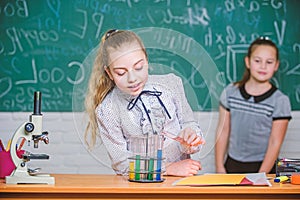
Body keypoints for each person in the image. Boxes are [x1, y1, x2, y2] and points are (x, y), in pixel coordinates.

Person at [84, 29, 205, 177]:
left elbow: (189, 123)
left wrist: (191, 136)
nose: (132, 78)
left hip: (179, 184)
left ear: (146, 60)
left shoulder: (171, 84)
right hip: (138, 188)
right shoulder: (108, 109)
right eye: (121, 73)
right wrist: (168, 169)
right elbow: (121, 162)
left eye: (139, 67)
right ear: (109, 73)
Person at [215, 37, 292, 174]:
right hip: (232, 165)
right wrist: (220, 167)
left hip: (264, 167)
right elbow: (223, 131)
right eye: (257, 61)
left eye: (269, 62)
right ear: (248, 62)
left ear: (276, 66)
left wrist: (261, 175)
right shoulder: (230, 92)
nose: (263, 66)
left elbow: (275, 142)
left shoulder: (280, 100)